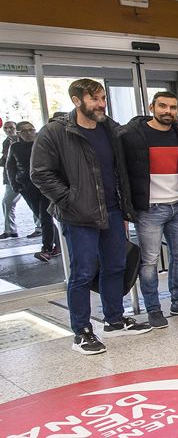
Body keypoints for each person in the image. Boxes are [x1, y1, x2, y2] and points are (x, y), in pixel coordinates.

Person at [30, 79, 151, 355]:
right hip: (78, 215)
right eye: (95, 99)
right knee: (82, 273)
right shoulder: (55, 132)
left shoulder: (109, 128)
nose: (101, 105)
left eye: (103, 98)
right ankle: (82, 332)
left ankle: (115, 320)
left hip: (112, 210)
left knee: (115, 266)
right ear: (76, 100)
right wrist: (69, 200)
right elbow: (40, 174)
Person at [119, 91, 178, 325]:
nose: (168, 111)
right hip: (149, 208)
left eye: (173, 107)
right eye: (163, 106)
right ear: (151, 107)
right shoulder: (132, 135)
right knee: (149, 261)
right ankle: (154, 309)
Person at [8, 122, 58, 262]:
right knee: (42, 217)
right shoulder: (15, 147)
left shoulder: (42, 144)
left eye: (31, 130)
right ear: (18, 133)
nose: (29, 133)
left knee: (45, 216)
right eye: (24, 131)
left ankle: (46, 249)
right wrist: (15, 185)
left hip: (44, 186)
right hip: (27, 187)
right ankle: (57, 245)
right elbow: (10, 167)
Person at [1, 120, 19, 239]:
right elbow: (5, 160)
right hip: (10, 178)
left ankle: (10, 230)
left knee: (8, 202)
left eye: (11, 127)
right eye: (6, 128)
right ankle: (10, 230)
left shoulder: (21, 139)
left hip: (21, 177)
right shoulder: (6, 142)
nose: (8, 130)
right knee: (7, 202)